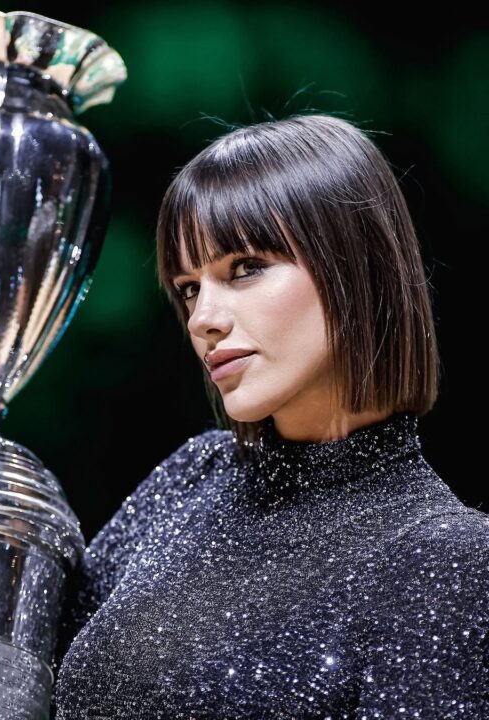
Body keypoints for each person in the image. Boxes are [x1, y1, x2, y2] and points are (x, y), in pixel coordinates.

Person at [53, 113, 489, 719]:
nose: (203, 318)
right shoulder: (191, 478)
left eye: (245, 268)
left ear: (358, 265)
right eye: (189, 287)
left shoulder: (449, 560)